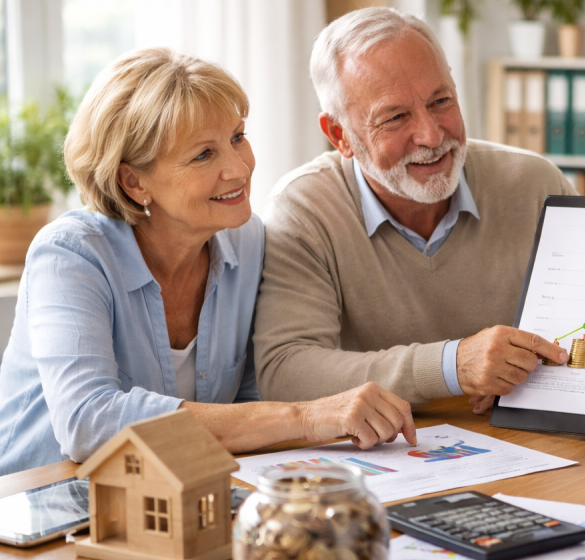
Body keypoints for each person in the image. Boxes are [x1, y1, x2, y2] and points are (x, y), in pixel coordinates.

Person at [0, 48, 416, 477]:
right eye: (203, 155)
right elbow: (88, 420)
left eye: (237, 137)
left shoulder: (247, 238)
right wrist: (305, 417)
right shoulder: (70, 254)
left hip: (169, 494)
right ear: (133, 181)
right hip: (35, 505)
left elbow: (249, 399)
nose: (238, 169)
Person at [253, 8, 571, 417]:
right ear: (340, 136)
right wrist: (452, 367)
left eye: (441, 101)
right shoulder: (304, 209)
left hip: (517, 441)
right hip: (379, 458)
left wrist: (534, 371)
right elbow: (286, 373)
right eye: (396, 117)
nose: (432, 135)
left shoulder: (534, 184)